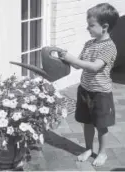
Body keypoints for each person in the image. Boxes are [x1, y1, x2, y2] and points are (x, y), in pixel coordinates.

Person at [59, 3, 119, 166]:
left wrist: (74, 60)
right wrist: (65, 59)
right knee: (86, 122)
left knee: (101, 125)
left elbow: (95, 66)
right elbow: (79, 65)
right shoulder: (89, 44)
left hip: (101, 93)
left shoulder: (109, 47)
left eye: (91, 25)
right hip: (85, 90)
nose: (88, 28)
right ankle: (88, 149)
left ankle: (102, 153)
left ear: (105, 26)